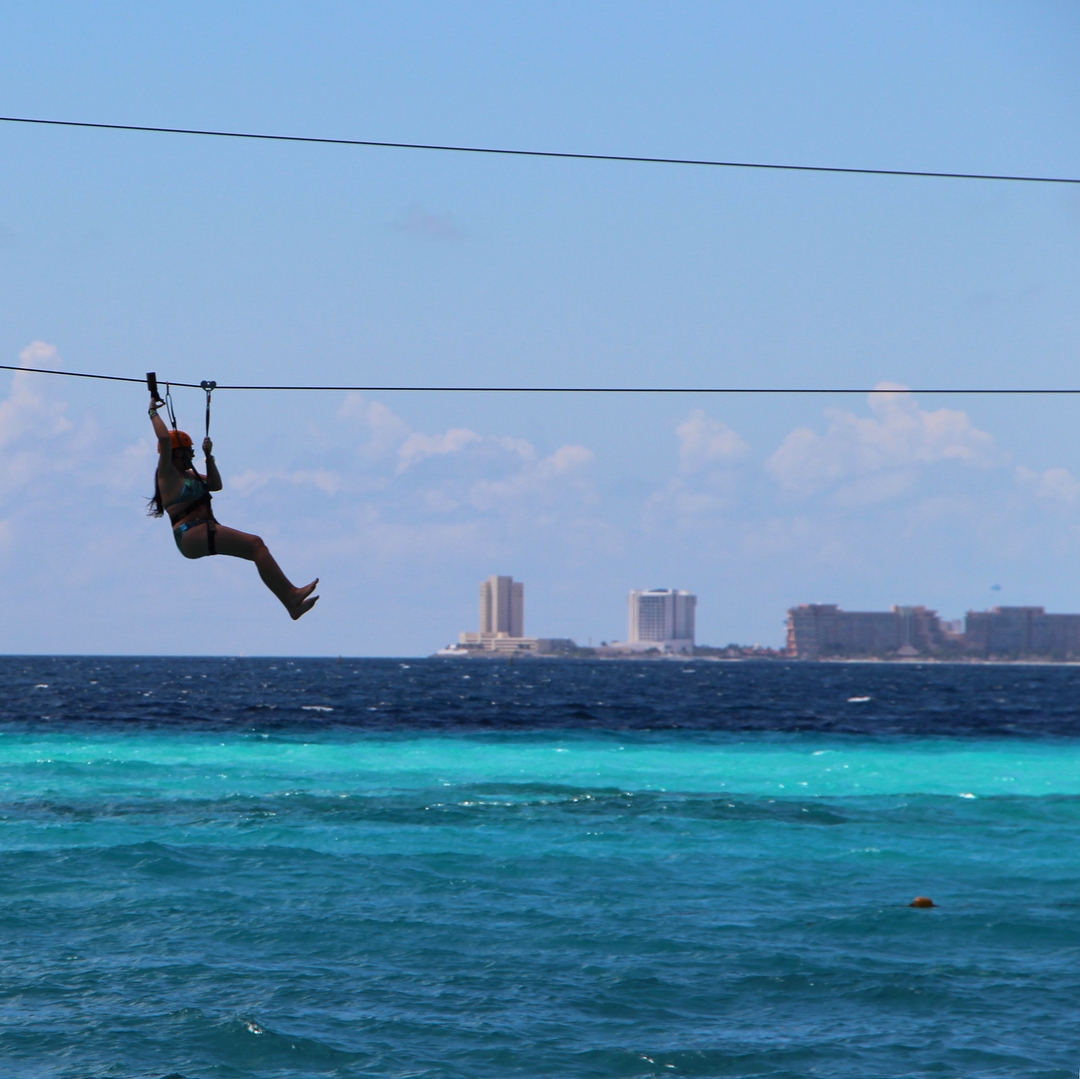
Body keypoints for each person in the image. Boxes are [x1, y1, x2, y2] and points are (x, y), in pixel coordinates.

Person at [146, 398, 319, 620]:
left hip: (200, 531)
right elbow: (164, 439)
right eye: (189, 451)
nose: (192, 454)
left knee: (256, 549)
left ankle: (292, 605)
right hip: (190, 533)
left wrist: (209, 458)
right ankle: (292, 594)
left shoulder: (191, 476)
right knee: (255, 544)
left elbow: (216, 485)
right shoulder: (168, 476)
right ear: (176, 453)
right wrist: (152, 411)